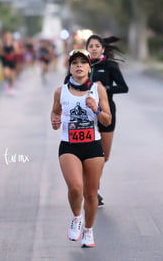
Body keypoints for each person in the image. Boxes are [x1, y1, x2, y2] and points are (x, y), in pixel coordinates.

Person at [50, 49, 111, 248]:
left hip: (93, 145)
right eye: (74, 62)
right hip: (69, 146)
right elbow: (55, 113)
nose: (78, 66)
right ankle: (77, 218)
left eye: (83, 62)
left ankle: (89, 231)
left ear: (89, 67)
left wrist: (96, 109)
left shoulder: (97, 89)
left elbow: (107, 119)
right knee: (76, 188)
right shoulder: (61, 91)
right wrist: (55, 121)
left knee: (91, 194)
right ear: (69, 67)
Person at [86, 35, 129, 206]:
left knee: (104, 155)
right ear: (86, 48)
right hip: (86, 114)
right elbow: (68, 82)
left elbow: (124, 87)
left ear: (103, 49)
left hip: (107, 112)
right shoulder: (81, 64)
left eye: (97, 46)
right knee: (90, 154)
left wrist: (106, 88)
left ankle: (92, 186)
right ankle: (93, 190)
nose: (94, 48)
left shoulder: (110, 66)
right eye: (91, 46)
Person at [0, 31, 20, 96]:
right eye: (6, 36)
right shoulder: (2, 44)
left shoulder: (14, 43)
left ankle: (11, 88)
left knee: (12, 76)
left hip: (12, 61)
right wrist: (4, 54)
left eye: (9, 36)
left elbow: (17, 51)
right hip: (5, 61)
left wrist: (12, 53)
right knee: (6, 73)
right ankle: (6, 81)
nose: (7, 37)